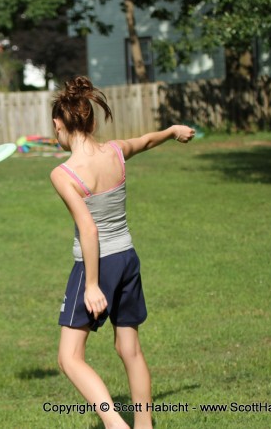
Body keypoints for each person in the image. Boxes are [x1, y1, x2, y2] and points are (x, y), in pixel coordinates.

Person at [50, 76, 195, 429]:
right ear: (93, 121)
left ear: (60, 125)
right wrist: (173, 130)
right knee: (128, 349)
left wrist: (92, 285)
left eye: (54, 127)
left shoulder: (63, 173)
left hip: (97, 265)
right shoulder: (116, 151)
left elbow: (89, 228)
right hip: (128, 259)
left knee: (69, 358)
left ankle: (116, 425)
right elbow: (146, 140)